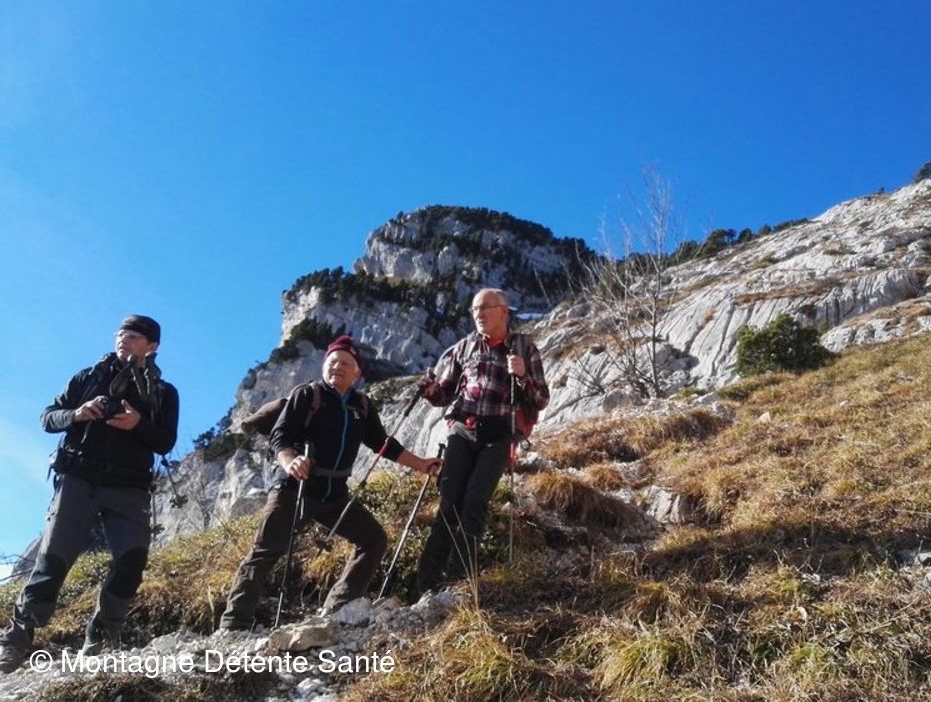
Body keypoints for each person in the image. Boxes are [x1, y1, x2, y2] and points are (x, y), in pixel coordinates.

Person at [219, 335, 440, 630]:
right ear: (324, 366)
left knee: (373, 539)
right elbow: (280, 436)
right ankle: (234, 624)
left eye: (345, 363)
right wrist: (291, 461)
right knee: (267, 550)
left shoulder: (362, 406)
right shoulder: (307, 395)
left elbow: (383, 444)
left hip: (335, 494)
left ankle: (339, 607)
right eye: (332, 361)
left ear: (357, 373)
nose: (337, 367)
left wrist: (422, 464)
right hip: (294, 488)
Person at [0, 315, 179, 672]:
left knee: (132, 561)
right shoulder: (87, 377)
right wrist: (77, 415)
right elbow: (47, 418)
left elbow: (165, 442)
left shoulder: (163, 393)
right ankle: (15, 641)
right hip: (78, 479)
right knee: (52, 561)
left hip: (129, 487)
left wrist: (138, 424)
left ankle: (101, 638)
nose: (124, 339)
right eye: (120, 334)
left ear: (152, 346)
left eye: (134, 336)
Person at [410, 288, 550, 600]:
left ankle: (460, 583)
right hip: (462, 430)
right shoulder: (464, 346)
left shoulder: (525, 347)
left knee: (475, 502)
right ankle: (425, 585)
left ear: (504, 311)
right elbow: (445, 394)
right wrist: (431, 390)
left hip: (499, 435)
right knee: (449, 501)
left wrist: (523, 376)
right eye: (475, 310)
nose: (479, 314)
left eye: (485, 308)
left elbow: (541, 399)